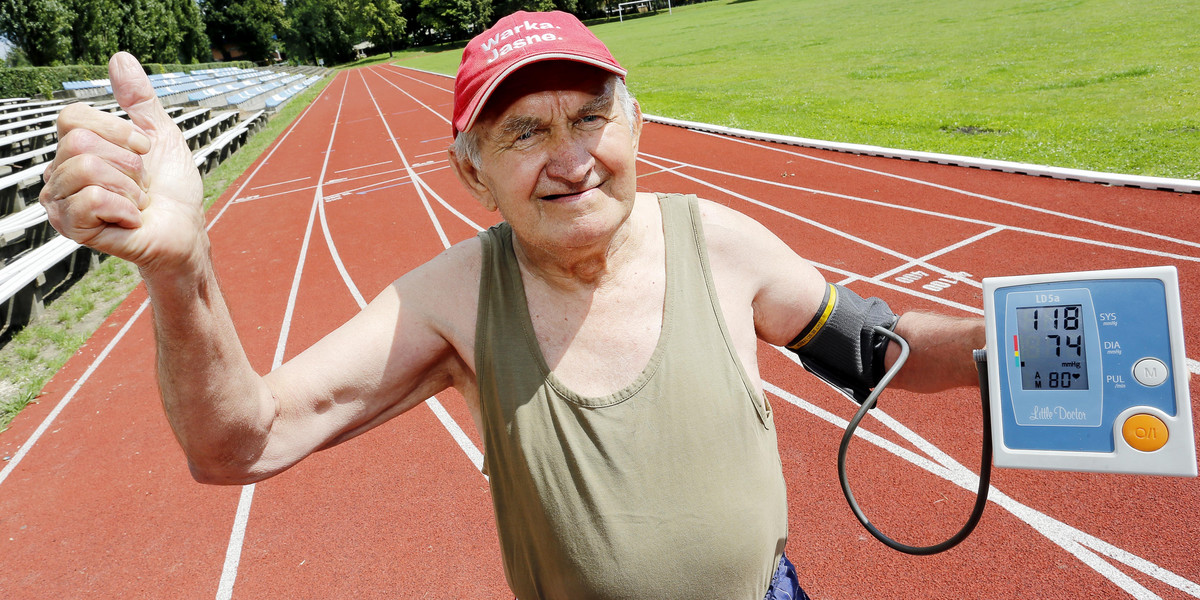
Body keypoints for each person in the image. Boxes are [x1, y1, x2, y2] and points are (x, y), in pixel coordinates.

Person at [40, 10, 984, 600]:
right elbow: (236, 444)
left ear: (636, 121)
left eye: (590, 117)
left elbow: (882, 350)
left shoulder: (721, 244)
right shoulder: (454, 299)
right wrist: (180, 268)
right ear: (470, 170)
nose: (570, 159)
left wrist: (1007, 341)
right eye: (525, 130)